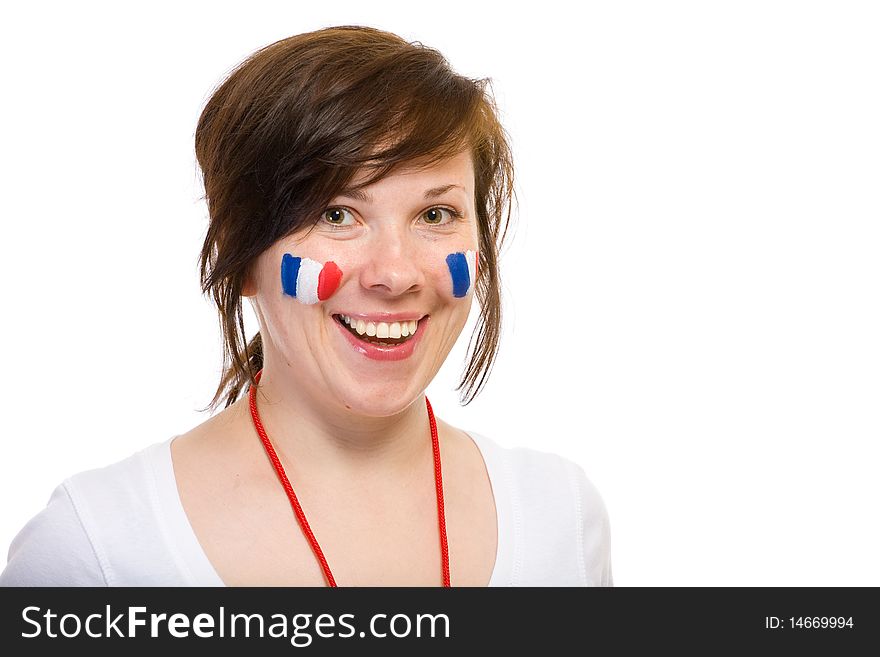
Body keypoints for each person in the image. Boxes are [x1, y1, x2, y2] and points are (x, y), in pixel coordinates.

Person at [0, 25, 612, 587]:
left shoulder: (560, 517)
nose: (394, 274)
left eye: (435, 214)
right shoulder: (97, 547)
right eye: (336, 214)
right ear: (241, 255)